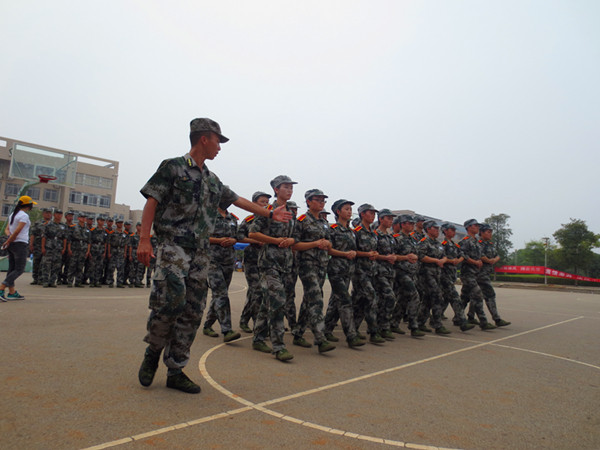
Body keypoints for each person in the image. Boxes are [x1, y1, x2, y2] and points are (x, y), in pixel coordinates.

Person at [137, 118, 291, 393]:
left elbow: (237, 200)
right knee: (170, 303)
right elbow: (152, 201)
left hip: (200, 253)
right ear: (204, 138)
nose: (220, 147)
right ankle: (153, 351)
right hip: (173, 247)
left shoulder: (212, 180)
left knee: (192, 311)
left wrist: (269, 214)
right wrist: (145, 239)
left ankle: (176, 369)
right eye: (218, 141)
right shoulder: (172, 167)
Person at [248, 175, 297, 362]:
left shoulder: (291, 212)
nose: (289, 190)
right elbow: (253, 233)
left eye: (291, 187)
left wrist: (292, 240)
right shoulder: (267, 211)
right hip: (268, 262)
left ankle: (258, 338)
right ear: (276, 190)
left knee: (268, 302)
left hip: (285, 263)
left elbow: (296, 236)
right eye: (286, 187)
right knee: (278, 300)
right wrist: (275, 241)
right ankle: (278, 347)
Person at [290, 189, 336, 353]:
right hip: (307, 264)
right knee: (316, 298)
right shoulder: (301, 221)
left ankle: (298, 333)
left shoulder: (324, 222)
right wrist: (315, 244)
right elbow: (294, 244)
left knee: (309, 300)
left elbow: (329, 242)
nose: (321, 203)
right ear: (309, 202)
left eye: (323, 200)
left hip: (322, 264)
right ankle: (320, 338)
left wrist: (327, 244)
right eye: (318, 200)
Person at [323, 199, 365, 347]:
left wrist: (354, 253)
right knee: (345, 300)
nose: (349, 211)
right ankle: (351, 336)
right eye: (346, 209)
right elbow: (328, 249)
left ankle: (326, 329)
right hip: (336, 269)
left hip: (348, 270)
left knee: (336, 301)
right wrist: (344, 254)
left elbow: (355, 249)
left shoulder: (352, 232)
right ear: (338, 212)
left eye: (350, 209)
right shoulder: (333, 229)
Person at [202, 207, 242, 343]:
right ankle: (227, 330)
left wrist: (234, 240)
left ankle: (207, 325)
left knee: (219, 295)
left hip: (228, 260)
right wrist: (218, 241)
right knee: (221, 294)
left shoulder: (233, 219)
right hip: (212, 260)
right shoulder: (208, 215)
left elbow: (238, 236)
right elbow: (200, 236)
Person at [237, 191, 271, 333]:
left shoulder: (269, 219)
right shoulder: (249, 220)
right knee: (257, 290)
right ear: (254, 204)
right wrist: (255, 240)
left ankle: (244, 319)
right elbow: (239, 236)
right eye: (262, 202)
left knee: (256, 292)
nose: (265, 204)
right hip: (252, 259)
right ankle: (259, 324)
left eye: (267, 202)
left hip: (266, 259)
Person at [352, 204, 385, 344]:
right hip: (360, 271)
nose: (373, 216)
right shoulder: (357, 232)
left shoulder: (373, 232)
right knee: (371, 297)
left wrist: (375, 254)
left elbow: (374, 249)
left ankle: (353, 329)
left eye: (374, 213)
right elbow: (352, 251)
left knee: (360, 301)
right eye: (370, 213)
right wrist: (366, 254)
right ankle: (373, 332)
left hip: (372, 270)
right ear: (362, 214)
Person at [458, 219, 497, 331]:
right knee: (478, 294)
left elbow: (480, 255)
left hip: (476, 273)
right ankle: (483, 322)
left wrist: (479, 261)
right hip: (467, 273)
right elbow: (461, 254)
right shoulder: (465, 241)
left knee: (464, 298)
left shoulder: (476, 242)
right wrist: (474, 262)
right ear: (469, 227)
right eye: (475, 225)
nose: (477, 227)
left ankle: (458, 318)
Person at [417, 220, 452, 334]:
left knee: (427, 299)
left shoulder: (438, 244)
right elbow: (421, 256)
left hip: (437, 274)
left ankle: (420, 322)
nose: (437, 231)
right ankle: (438, 325)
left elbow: (444, 256)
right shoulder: (424, 242)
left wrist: (443, 260)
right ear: (428, 229)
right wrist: (436, 260)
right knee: (437, 296)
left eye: (438, 229)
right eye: (435, 228)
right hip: (426, 274)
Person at [0, 196, 36, 301]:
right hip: (20, 244)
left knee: (12, 268)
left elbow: (7, 229)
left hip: (13, 244)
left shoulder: (13, 214)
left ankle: (12, 292)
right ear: (28, 205)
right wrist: (9, 240)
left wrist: (9, 239)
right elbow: (17, 231)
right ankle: (1, 288)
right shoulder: (24, 216)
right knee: (20, 269)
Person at [474, 223, 511, 327]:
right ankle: (496, 319)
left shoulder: (490, 244)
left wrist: (494, 260)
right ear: (481, 233)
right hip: (480, 274)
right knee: (490, 295)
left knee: (474, 296)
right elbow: (479, 255)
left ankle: (467, 317)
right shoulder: (478, 244)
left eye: (491, 232)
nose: (490, 234)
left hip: (486, 272)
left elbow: (497, 255)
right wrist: (489, 260)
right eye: (488, 232)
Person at [440, 222, 474, 331]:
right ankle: (462, 321)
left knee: (444, 298)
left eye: (455, 230)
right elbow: (440, 258)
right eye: (452, 230)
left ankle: (435, 316)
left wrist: (458, 260)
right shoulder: (443, 244)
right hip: (444, 275)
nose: (454, 232)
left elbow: (463, 255)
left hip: (452, 275)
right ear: (445, 231)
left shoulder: (455, 245)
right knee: (455, 298)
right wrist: (451, 261)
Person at [373, 209, 399, 340]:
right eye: (388, 218)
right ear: (381, 219)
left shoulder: (390, 237)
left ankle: (382, 327)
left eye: (391, 219)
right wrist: (385, 257)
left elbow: (394, 253)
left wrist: (394, 257)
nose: (391, 221)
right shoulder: (375, 235)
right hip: (379, 271)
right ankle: (380, 327)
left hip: (390, 272)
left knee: (384, 300)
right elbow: (372, 253)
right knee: (389, 297)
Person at [41, 209, 67, 288]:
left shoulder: (63, 226)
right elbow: (44, 237)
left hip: (58, 247)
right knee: (47, 264)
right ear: (54, 215)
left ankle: (52, 281)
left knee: (56, 265)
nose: (59, 215)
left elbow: (65, 238)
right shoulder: (48, 224)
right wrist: (43, 247)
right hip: (49, 247)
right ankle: (45, 281)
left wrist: (64, 248)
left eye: (60, 214)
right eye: (57, 214)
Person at [66, 213, 91, 287]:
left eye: (84, 217)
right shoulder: (73, 227)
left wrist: (88, 251)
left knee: (80, 266)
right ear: (78, 218)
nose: (83, 219)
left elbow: (89, 241)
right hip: (75, 248)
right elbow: (69, 240)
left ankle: (78, 282)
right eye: (82, 217)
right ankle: (70, 281)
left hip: (83, 249)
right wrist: (69, 249)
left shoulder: (87, 229)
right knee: (72, 265)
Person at [29, 207, 51, 285]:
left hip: (49, 246)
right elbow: (33, 234)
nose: (48, 214)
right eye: (47, 213)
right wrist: (31, 244)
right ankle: (35, 278)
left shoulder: (52, 224)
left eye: (49, 213)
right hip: (37, 245)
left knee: (45, 263)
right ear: (43, 214)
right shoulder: (38, 223)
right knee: (36, 262)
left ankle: (42, 278)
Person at [89, 216, 108, 288]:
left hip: (101, 250)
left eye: (103, 221)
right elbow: (90, 241)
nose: (102, 222)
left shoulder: (105, 231)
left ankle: (97, 281)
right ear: (97, 221)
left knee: (99, 266)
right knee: (92, 266)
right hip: (94, 249)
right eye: (101, 220)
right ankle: (92, 281)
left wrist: (104, 252)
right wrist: (89, 251)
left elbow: (105, 242)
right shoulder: (93, 230)